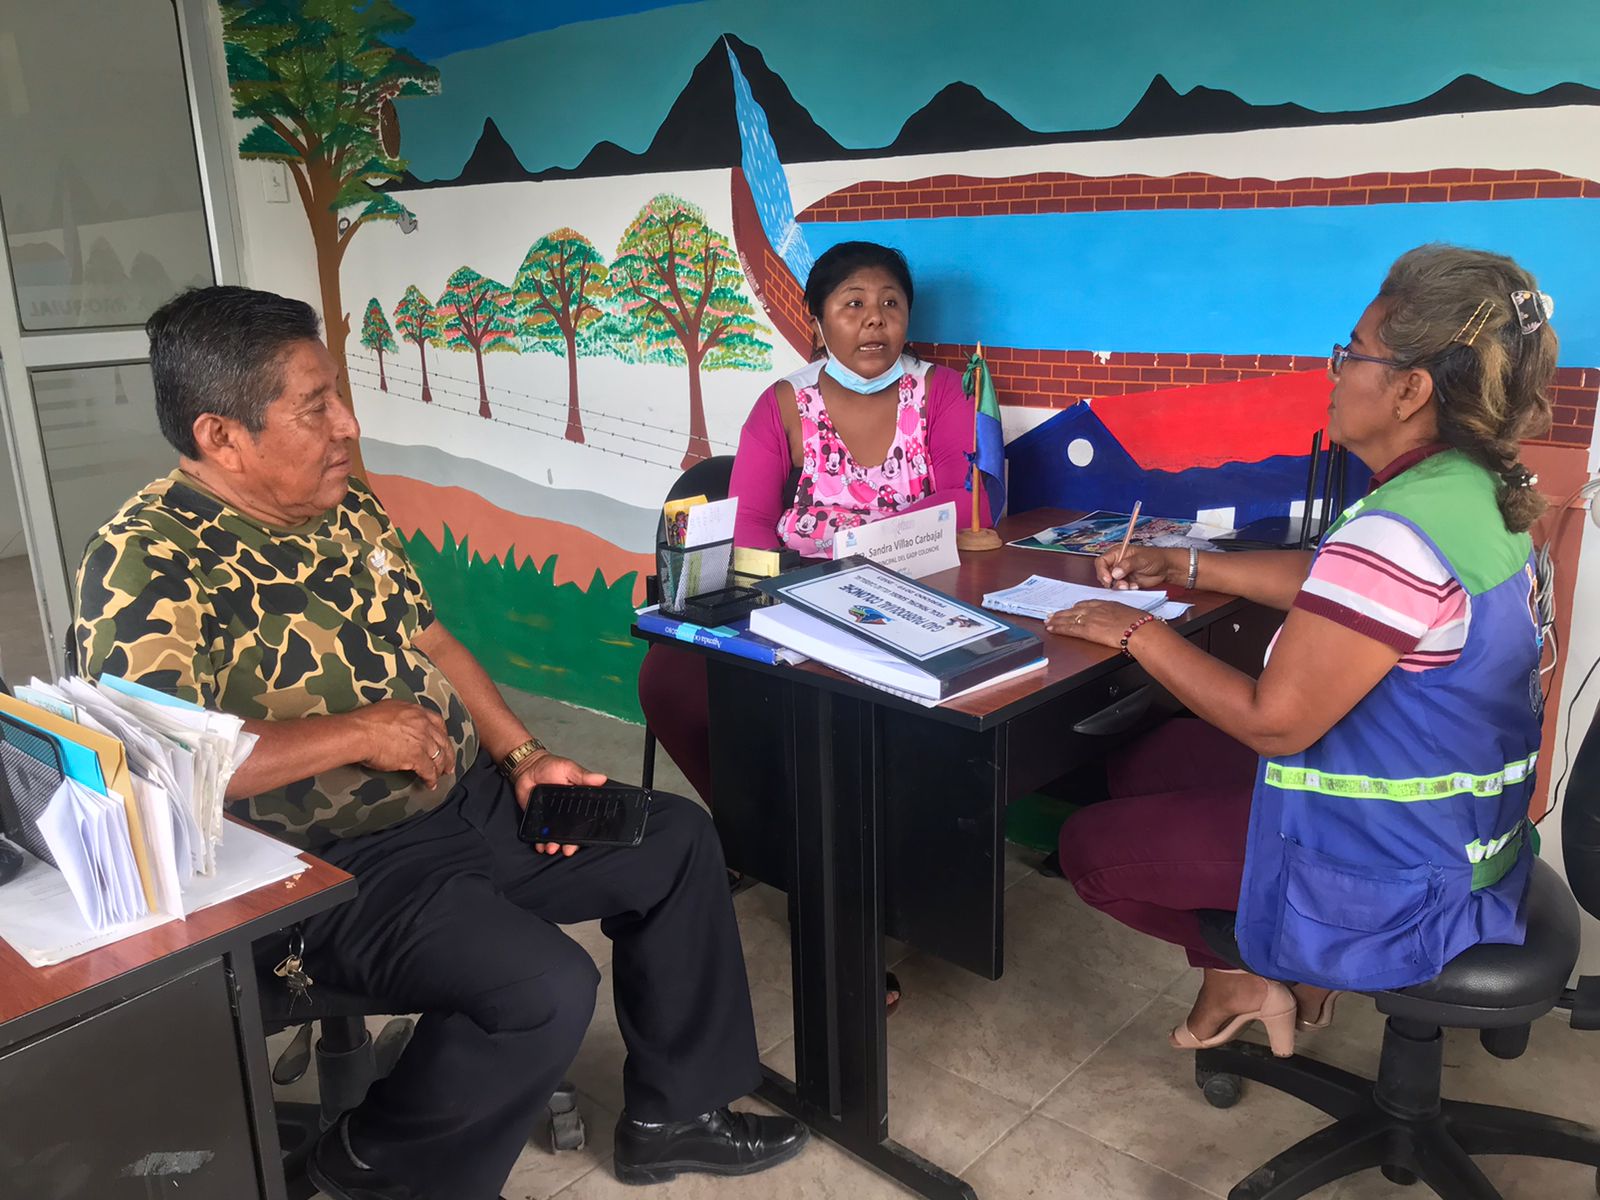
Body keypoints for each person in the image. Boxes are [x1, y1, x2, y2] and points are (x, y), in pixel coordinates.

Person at [72, 286, 808, 1200]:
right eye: (315, 407)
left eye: (338, 397)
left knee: (674, 842)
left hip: (465, 801)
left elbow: (432, 641)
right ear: (221, 436)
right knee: (545, 989)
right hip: (332, 869)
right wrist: (359, 732)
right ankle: (361, 1167)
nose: (347, 425)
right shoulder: (146, 559)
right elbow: (162, 764)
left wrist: (526, 758)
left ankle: (675, 1117)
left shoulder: (344, 504)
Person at [1047, 245, 1552, 1056]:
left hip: (1391, 868)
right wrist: (1186, 566)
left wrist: (1135, 630)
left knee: (1089, 850)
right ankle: (1260, 971)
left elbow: (1273, 722)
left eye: (1353, 353)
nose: (1336, 372)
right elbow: (1339, 587)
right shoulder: (1468, 488)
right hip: (1459, 832)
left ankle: (1259, 970)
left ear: (1410, 390)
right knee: (1151, 757)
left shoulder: (1399, 529)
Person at [637, 241, 988, 803]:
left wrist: (868, 553)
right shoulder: (783, 404)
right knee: (670, 682)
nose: (875, 319)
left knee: (891, 725)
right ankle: (748, 822)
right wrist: (778, 604)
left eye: (891, 303)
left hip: (914, 597)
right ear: (819, 322)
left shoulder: (939, 392)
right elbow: (751, 520)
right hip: (795, 593)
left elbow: (969, 504)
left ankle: (858, 829)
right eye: (854, 304)